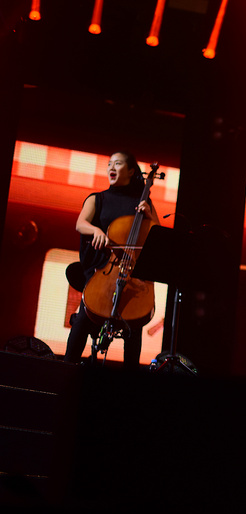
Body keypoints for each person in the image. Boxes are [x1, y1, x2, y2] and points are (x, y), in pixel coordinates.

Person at [64, 150, 160, 370]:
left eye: (117, 164)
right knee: (81, 321)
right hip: (102, 269)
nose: (111, 168)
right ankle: (66, 369)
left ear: (131, 171)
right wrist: (96, 230)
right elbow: (81, 223)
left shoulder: (143, 203)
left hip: (132, 275)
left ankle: (130, 381)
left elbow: (157, 236)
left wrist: (149, 216)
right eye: (109, 164)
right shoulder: (97, 198)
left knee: (133, 328)